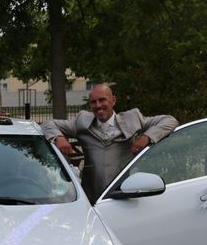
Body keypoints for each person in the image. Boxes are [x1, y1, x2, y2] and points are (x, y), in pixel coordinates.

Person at [41, 84, 178, 201]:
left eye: (102, 100)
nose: (98, 106)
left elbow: (170, 121)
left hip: (124, 195)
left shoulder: (132, 119)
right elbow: (48, 124)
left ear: (113, 100)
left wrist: (147, 137)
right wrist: (59, 137)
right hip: (91, 198)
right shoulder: (82, 121)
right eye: (93, 102)